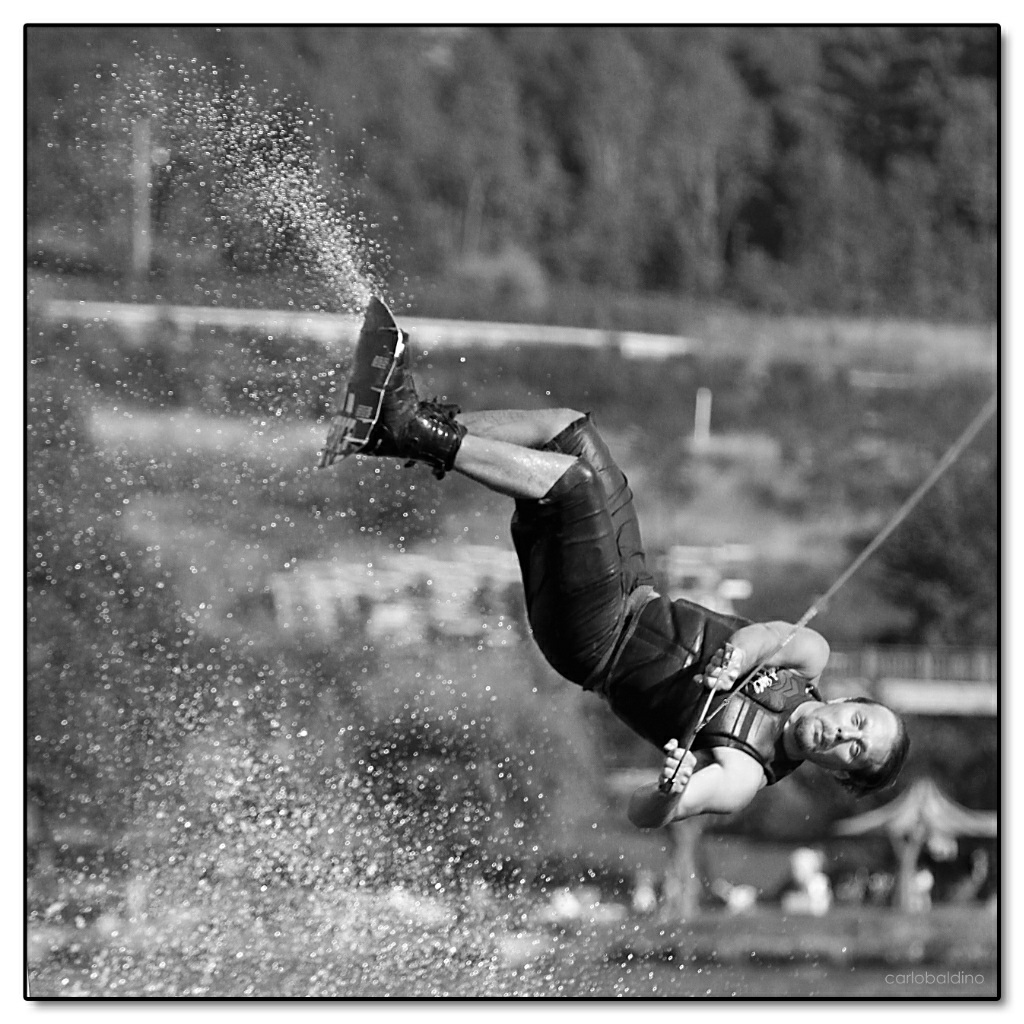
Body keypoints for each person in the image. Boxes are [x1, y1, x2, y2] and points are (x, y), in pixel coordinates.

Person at [321, 299, 910, 829]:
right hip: (634, 589)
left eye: (855, 752)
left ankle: (409, 427)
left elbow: (644, 815)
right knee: (568, 432)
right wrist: (739, 656)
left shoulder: (741, 775)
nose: (843, 736)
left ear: (839, 774)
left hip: (593, 642)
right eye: (859, 724)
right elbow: (770, 637)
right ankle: (386, 435)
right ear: (849, 703)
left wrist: (668, 790)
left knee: (572, 487)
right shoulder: (813, 658)